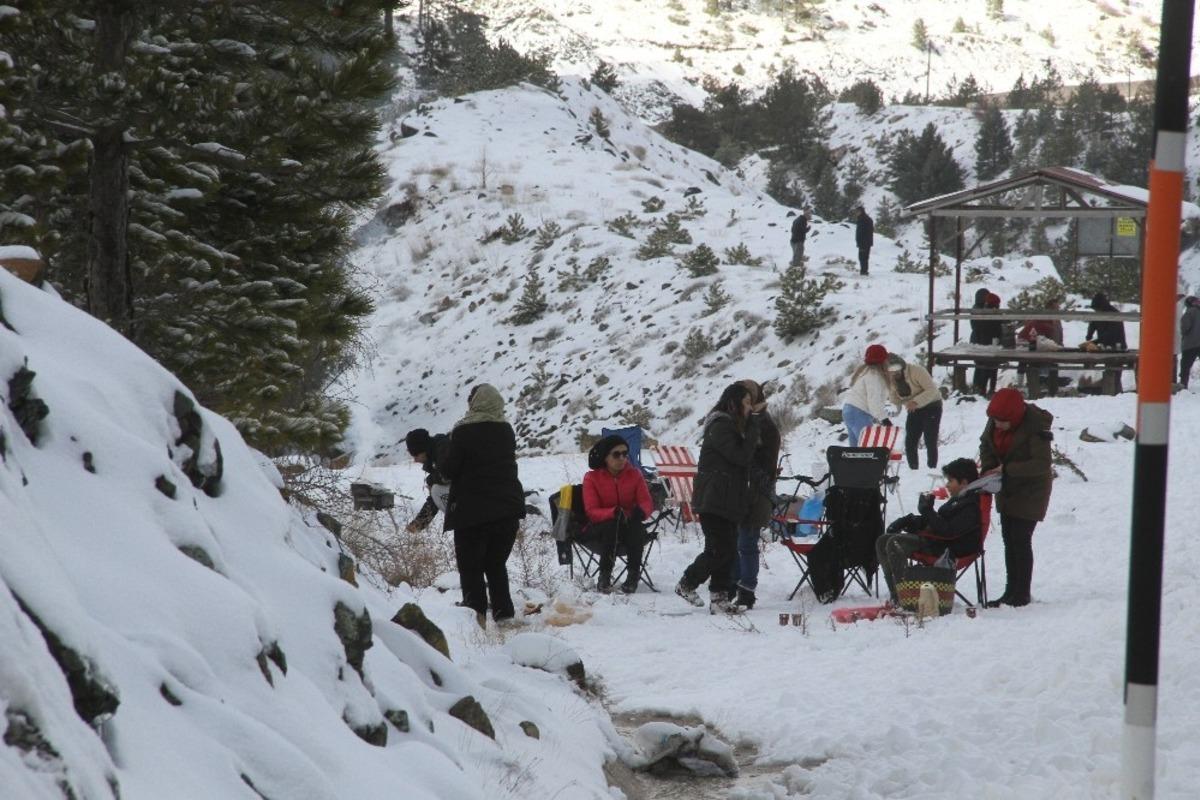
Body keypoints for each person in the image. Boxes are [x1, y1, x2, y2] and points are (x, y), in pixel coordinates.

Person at [439, 384, 527, 626]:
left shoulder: (463, 431)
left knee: (471, 567)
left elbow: (449, 470)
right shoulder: (506, 429)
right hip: (508, 508)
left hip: (472, 510)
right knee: (496, 564)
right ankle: (504, 615)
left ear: (474, 402)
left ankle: (475, 615)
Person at [677, 383, 763, 614]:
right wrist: (754, 422)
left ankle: (719, 597)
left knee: (726, 549)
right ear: (733, 403)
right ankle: (687, 582)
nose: (748, 408)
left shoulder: (731, 426)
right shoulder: (721, 425)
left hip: (727, 499)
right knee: (719, 550)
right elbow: (741, 457)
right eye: (745, 403)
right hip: (714, 499)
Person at [978, 388, 1053, 608]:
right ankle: (1010, 591)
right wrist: (990, 467)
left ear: (1014, 417)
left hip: (1031, 490)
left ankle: (1022, 594)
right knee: (1008, 540)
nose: (997, 425)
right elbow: (986, 444)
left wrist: (1007, 469)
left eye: (1002, 422)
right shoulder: (995, 420)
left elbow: (1041, 464)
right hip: (1006, 487)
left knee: (1020, 539)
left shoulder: (1036, 426)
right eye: (995, 420)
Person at [876, 458, 984, 605]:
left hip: (949, 550)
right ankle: (897, 594)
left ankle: (905, 596)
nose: (947, 485)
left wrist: (928, 511)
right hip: (937, 542)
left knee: (894, 543)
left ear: (964, 482)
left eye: (951, 481)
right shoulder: (959, 499)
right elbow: (941, 522)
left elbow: (949, 531)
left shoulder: (970, 505)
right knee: (882, 540)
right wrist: (912, 520)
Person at [730, 379, 781, 609]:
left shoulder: (760, 424)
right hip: (748, 490)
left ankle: (746, 590)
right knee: (739, 541)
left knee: (747, 542)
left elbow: (751, 458)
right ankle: (737, 585)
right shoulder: (753, 421)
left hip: (756, 492)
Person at [581, 434, 653, 594]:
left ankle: (633, 576)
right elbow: (591, 511)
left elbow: (646, 502)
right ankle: (604, 576)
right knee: (611, 525)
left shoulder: (635, 474)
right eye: (616, 454)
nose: (622, 458)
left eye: (625, 453)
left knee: (636, 526)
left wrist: (641, 512)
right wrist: (613, 512)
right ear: (605, 457)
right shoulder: (591, 478)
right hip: (600, 529)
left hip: (627, 526)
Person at [885, 353, 943, 470]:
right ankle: (913, 469)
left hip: (932, 405)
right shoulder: (892, 379)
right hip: (914, 409)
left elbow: (931, 389)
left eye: (896, 369)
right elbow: (895, 399)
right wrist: (892, 387)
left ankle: (932, 468)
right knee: (910, 441)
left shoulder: (917, 371)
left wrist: (915, 401)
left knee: (930, 439)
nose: (894, 372)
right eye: (890, 370)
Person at [842, 344, 891, 446]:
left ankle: (853, 462)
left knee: (856, 452)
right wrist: (885, 419)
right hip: (858, 412)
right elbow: (874, 401)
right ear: (882, 361)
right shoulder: (874, 376)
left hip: (850, 410)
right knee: (868, 449)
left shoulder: (865, 372)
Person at [404, 428, 451, 533]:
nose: (415, 460)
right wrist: (418, 524)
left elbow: (447, 475)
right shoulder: (436, 454)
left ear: (423, 450)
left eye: (415, 455)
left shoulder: (444, 448)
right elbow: (434, 500)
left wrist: (431, 480)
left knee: (436, 489)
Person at [1017, 296, 1064, 396]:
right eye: (1056, 308)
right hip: (1027, 342)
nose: (1058, 310)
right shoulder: (1044, 320)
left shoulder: (1053, 320)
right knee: (1033, 360)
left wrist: (1058, 345)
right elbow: (1048, 335)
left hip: (1038, 342)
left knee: (1047, 360)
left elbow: (1056, 335)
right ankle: (1035, 385)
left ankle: (1047, 385)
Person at [969, 289, 1002, 396]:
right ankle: (982, 390)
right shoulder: (982, 311)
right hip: (984, 343)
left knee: (983, 368)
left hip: (980, 342)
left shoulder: (978, 309)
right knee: (985, 368)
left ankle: (981, 390)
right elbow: (989, 327)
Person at [1181, 296, 1200, 388]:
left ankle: (1183, 385)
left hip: (1190, 344)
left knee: (1185, 366)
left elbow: (1185, 328)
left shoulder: (1189, 312)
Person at [854, 205, 874, 276]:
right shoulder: (866, 219)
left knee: (863, 257)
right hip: (866, 242)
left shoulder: (863, 219)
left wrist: (861, 241)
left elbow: (863, 232)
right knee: (864, 257)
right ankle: (864, 271)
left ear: (861, 211)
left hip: (864, 242)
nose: (856, 213)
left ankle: (864, 271)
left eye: (857, 211)